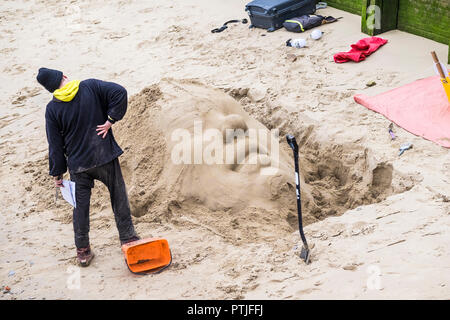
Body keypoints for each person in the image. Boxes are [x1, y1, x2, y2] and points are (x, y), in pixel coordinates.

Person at [36, 67, 139, 267]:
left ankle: (83, 251)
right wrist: (110, 120)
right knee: (118, 195)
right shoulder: (90, 86)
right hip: (104, 155)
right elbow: (120, 92)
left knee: (80, 207)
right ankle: (128, 238)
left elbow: (55, 145)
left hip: (79, 164)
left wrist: (58, 173)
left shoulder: (52, 109)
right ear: (64, 76)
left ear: (50, 89)